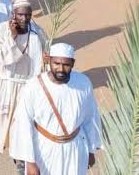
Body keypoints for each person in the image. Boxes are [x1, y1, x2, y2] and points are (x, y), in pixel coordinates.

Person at [9, 43, 102, 175]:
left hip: (75, 149)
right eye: (56, 63)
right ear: (49, 62)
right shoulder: (33, 87)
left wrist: (91, 150)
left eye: (66, 64)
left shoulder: (83, 83)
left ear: (73, 63)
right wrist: (29, 161)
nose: (61, 68)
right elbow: (23, 124)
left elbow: (91, 117)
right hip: (44, 149)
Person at [0, 0, 47, 154]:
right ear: (13, 14)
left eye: (27, 15)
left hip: (26, 84)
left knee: (21, 121)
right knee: (0, 115)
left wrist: (46, 60)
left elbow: (43, 56)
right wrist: (12, 37)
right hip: (4, 82)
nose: (24, 19)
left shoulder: (37, 33)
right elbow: (0, 58)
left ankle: (19, 153)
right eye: (20, 15)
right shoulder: (1, 30)